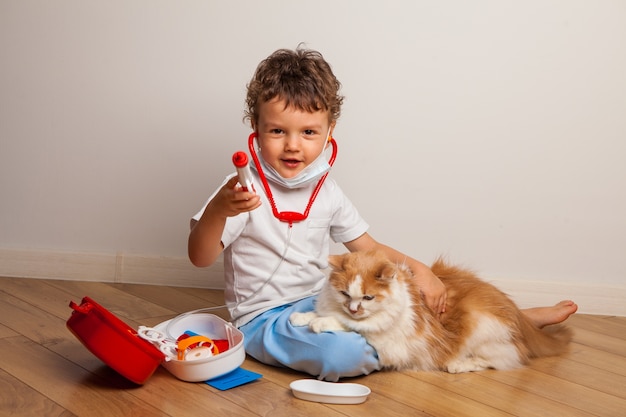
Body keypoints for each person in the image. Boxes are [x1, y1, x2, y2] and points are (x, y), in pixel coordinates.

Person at [188, 47, 577, 381]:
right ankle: (452, 339)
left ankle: (515, 321)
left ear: (329, 131)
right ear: (255, 128)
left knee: (406, 300)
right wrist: (220, 211)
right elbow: (200, 257)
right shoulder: (240, 191)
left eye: (308, 132)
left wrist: (421, 271)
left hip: (326, 300)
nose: (293, 146)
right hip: (265, 319)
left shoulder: (327, 190)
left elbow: (369, 247)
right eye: (277, 132)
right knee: (342, 356)